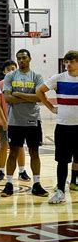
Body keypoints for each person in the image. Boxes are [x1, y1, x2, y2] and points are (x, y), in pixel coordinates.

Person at [0, 49, 48, 198]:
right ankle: (8, 184)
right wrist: (30, 97)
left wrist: (19, 94)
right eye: (19, 58)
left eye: (24, 58)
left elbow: (39, 98)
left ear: (29, 59)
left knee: (34, 153)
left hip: (33, 121)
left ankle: (37, 184)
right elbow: (7, 99)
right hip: (15, 121)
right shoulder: (10, 76)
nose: (21, 60)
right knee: (13, 153)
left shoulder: (37, 76)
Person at [36, 50, 78, 204]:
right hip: (63, 127)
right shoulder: (58, 79)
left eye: (72, 61)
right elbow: (39, 91)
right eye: (66, 62)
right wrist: (50, 107)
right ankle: (60, 191)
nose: (68, 64)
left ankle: (74, 183)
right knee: (62, 161)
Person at [0, 60, 27, 182]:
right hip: (5, 121)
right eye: (8, 69)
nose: (11, 71)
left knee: (19, 146)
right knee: (3, 145)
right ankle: (1, 170)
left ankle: (22, 170)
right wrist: (3, 121)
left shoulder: (22, 84)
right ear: (4, 72)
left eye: (13, 68)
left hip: (19, 121)